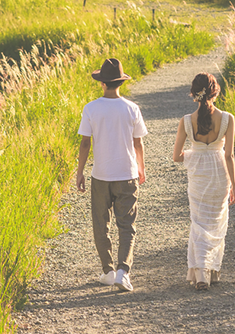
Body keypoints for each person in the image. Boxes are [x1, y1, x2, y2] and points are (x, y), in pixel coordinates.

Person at [75, 58, 147, 292]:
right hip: (127, 173)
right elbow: (138, 143)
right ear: (120, 83)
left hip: (101, 175)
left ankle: (107, 271)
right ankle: (122, 273)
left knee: (100, 224)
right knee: (127, 225)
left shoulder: (91, 108)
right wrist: (141, 168)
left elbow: (85, 144)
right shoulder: (131, 108)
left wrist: (80, 172)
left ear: (102, 83)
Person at [173, 72, 235, 291]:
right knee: (217, 221)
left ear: (194, 94)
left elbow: (177, 156)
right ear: (215, 92)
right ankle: (213, 271)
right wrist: (234, 185)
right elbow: (229, 156)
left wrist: (194, 155)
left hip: (198, 175)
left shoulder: (186, 121)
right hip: (220, 174)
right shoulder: (228, 119)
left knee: (199, 222)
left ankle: (202, 274)